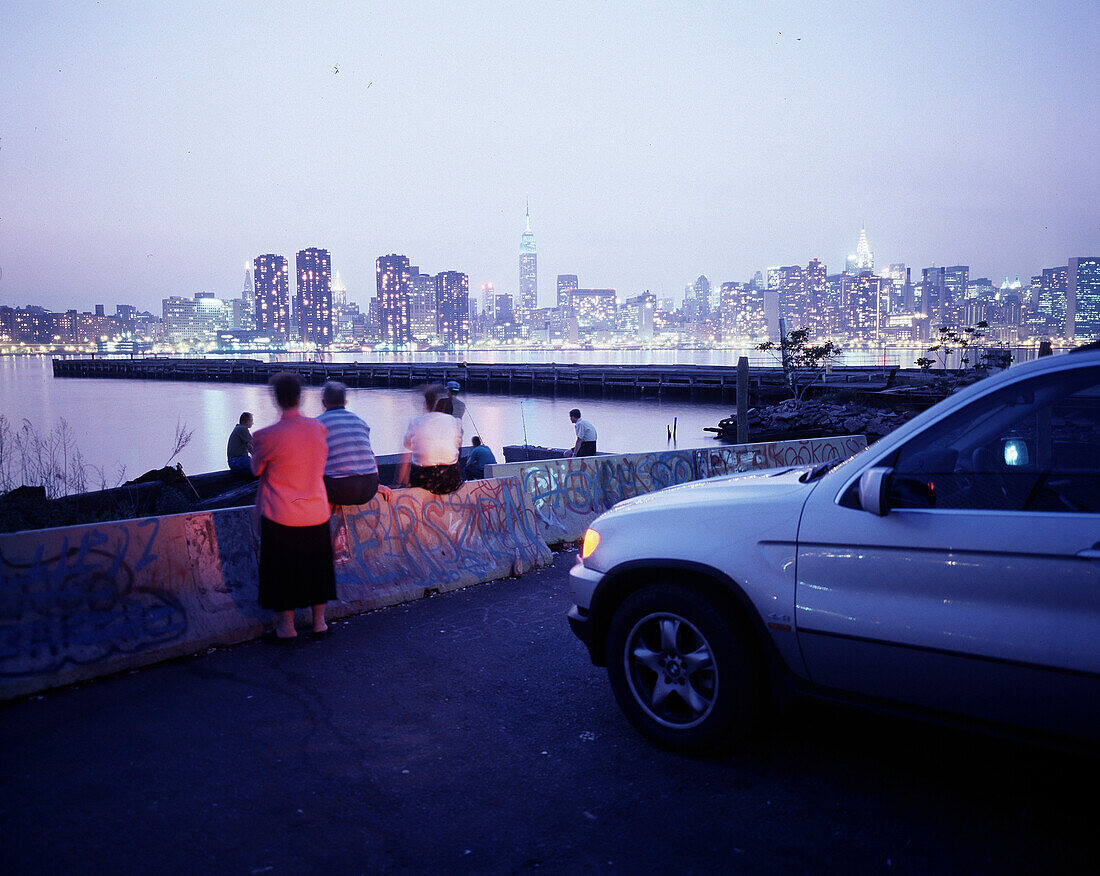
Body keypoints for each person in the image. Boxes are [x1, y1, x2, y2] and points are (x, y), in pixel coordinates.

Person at [251, 372, 334, 643]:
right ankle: (319, 622)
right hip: (317, 510)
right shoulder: (318, 429)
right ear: (301, 397)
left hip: (282, 514)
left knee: (282, 570)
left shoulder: (266, 436)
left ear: (276, 399)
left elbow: (256, 469)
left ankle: (286, 628)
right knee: (317, 567)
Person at [317, 380, 385, 506]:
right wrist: (378, 485)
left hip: (341, 490)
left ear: (323, 402)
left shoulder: (318, 423)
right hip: (370, 487)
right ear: (345, 402)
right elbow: (371, 455)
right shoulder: (360, 421)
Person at [398, 385, 463, 494]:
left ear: (427, 404)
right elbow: (456, 447)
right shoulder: (455, 422)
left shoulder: (415, 422)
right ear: (444, 405)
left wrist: (400, 482)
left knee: (414, 457)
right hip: (450, 480)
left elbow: (406, 456)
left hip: (424, 479)